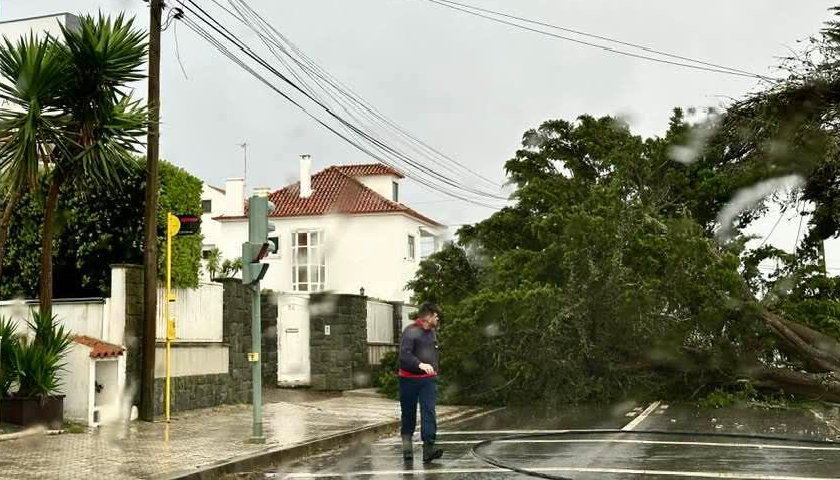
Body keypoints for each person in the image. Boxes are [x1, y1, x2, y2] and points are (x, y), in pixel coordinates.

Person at [398, 301, 444, 463]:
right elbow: (404, 356)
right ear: (428, 316)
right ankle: (407, 449)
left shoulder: (431, 333)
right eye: (436, 316)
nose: (438, 320)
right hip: (408, 379)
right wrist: (420, 364)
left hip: (427, 381)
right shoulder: (410, 332)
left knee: (429, 412)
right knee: (408, 414)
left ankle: (428, 450)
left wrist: (434, 369)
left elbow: (433, 353)